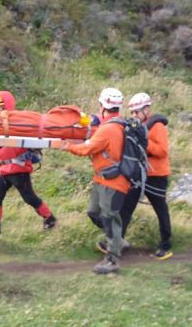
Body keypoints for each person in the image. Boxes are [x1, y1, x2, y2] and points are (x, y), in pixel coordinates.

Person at [98, 92, 173, 260]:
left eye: (136, 112)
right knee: (126, 207)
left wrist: (142, 142)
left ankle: (165, 244)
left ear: (147, 109)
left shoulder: (157, 126)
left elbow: (162, 151)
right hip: (140, 174)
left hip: (156, 175)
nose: (134, 115)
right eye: (132, 112)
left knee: (160, 209)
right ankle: (116, 242)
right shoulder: (139, 125)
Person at [61, 88, 129, 274]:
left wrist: (67, 146)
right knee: (94, 211)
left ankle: (112, 259)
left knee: (109, 218)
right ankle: (117, 241)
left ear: (102, 106)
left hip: (113, 181)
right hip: (103, 179)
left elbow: (86, 149)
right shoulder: (117, 125)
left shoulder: (109, 129)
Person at [0, 91, 57, 237]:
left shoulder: (19, 124)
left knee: (29, 198)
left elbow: (34, 146)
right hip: (3, 169)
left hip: (18, 169)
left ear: (6, 107)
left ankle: (50, 219)